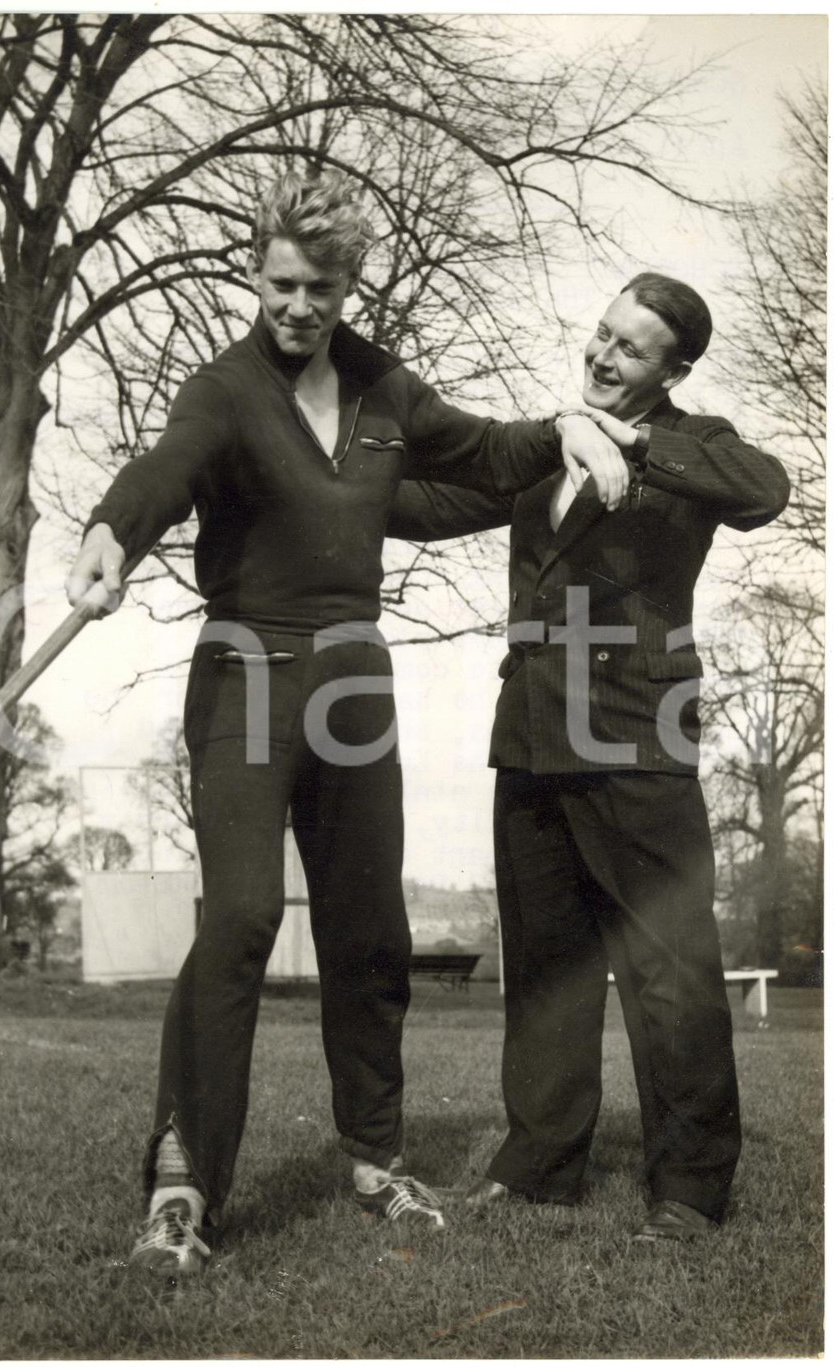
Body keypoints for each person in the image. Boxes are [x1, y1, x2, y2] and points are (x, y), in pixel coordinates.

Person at [65, 170, 629, 1276]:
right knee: (235, 922)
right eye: (280, 283)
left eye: (320, 286)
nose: (298, 306)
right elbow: (166, 466)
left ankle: (376, 1157)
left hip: (353, 680)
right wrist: (109, 530)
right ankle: (183, 1184)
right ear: (253, 273)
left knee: (368, 931)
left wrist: (565, 427)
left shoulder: (381, 387)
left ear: (347, 282)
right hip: (247, 670)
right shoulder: (223, 390)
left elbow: (478, 453)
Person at [387, 273, 790, 1242]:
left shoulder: (700, 447)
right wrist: (315, 484)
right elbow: (427, 504)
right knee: (544, 963)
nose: (603, 358)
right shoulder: (546, 450)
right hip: (529, 734)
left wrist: (638, 446)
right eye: (601, 336)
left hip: (633, 735)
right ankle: (538, 1164)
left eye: (631, 349)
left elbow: (764, 489)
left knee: (669, 969)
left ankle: (689, 1185)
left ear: (674, 370)